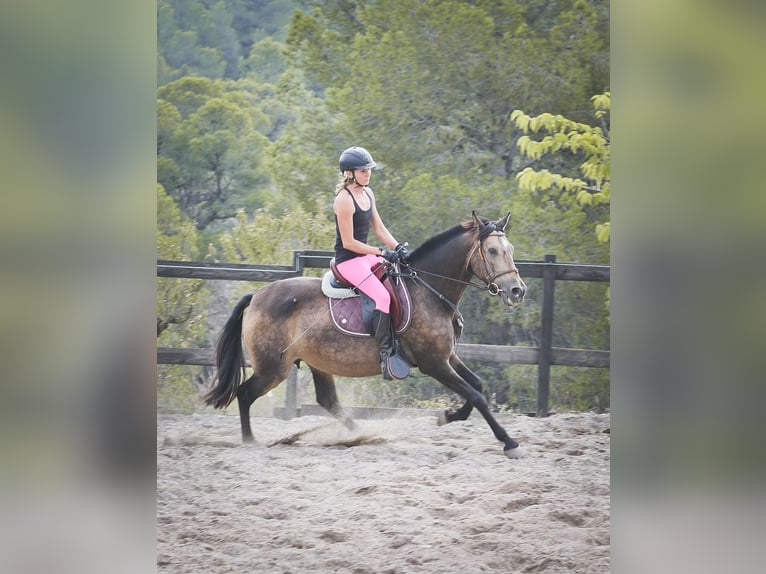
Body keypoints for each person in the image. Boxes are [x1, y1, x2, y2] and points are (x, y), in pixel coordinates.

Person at [333, 146, 409, 379]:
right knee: (382, 297)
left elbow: (379, 228)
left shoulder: (368, 193)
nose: (368, 173)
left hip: (366, 256)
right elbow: (349, 243)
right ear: (349, 173)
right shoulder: (343, 200)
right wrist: (380, 251)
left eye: (369, 170)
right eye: (363, 170)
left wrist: (397, 248)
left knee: (398, 281)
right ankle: (386, 355)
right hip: (349, 261)